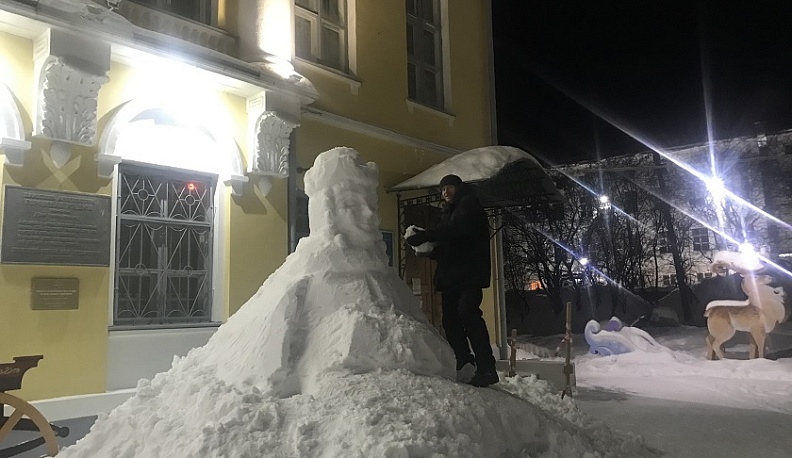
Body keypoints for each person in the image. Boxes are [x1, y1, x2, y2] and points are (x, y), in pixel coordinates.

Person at [405, 174, 499, 387]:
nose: (444, 193)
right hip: (451, 277)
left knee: (469, 313)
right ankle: (465, 362)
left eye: (448, 188)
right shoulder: (448, 212)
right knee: (450, 320)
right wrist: (428, 251)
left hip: (468, 275)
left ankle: (487, 368)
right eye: (442, 190)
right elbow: (449, 245)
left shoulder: (469, 204)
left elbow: (457, 229)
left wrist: (427, 235)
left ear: (458, 187)